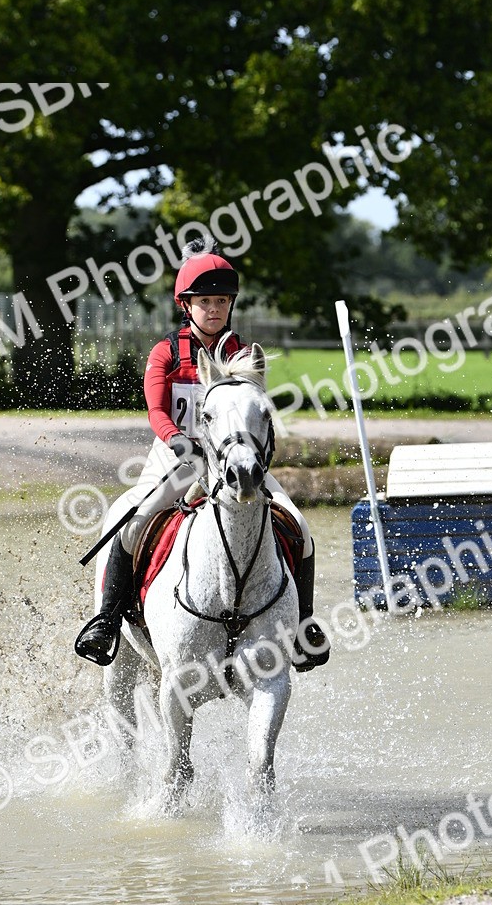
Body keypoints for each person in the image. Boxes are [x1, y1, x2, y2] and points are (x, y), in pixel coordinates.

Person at [74, 236, 330, 671]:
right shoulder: (166, 353)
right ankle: (107, 619)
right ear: (186, 305)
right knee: (132, 523)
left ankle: (303, 625)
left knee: (300, 527)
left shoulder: (241, 354)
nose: (214, 309)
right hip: (177, 459)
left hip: (233, 462)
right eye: (205, 301)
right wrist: (176, 438)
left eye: (222, 301)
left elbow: (256, 412)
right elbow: (156, 408)